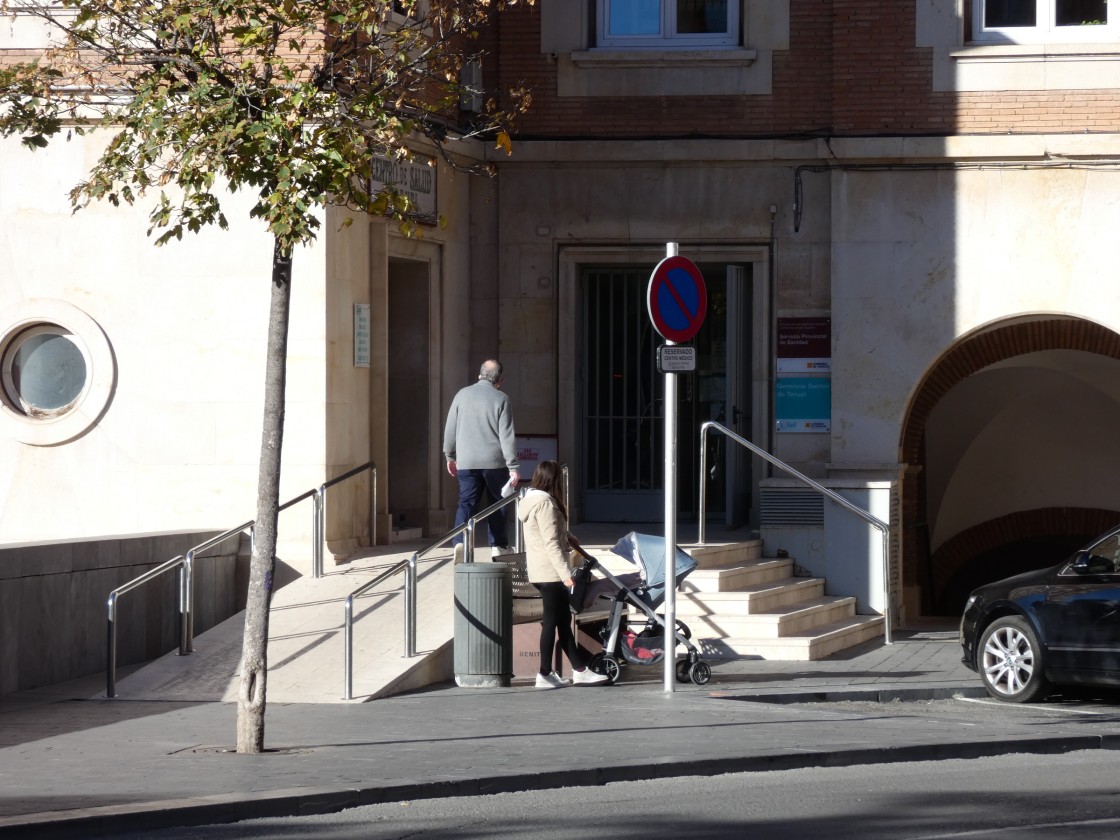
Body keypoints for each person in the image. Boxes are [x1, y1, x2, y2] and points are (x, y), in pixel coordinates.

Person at [517, 460, 609, 688]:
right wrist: (565, 574)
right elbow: (550, 543)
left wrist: (567, 535)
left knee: (561, 622)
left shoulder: (530, 501)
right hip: (551, 573)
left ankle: (571, 671)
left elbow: (546, 531)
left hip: (540, 571)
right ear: (554, 479)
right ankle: (549, 673)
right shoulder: (546, 504)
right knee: (553, 622)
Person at [443, 359, 521, 562]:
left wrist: (449, 455)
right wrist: (513, 466)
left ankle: (460, 541)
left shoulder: (461, 395)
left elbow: (450, 428)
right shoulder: (501, 399)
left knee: (466, 502)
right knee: (498, 502)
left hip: (466, 462)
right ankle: (498, 546)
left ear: (479, 375)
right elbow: (506, 435)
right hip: (495, 463)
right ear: (500, 380)